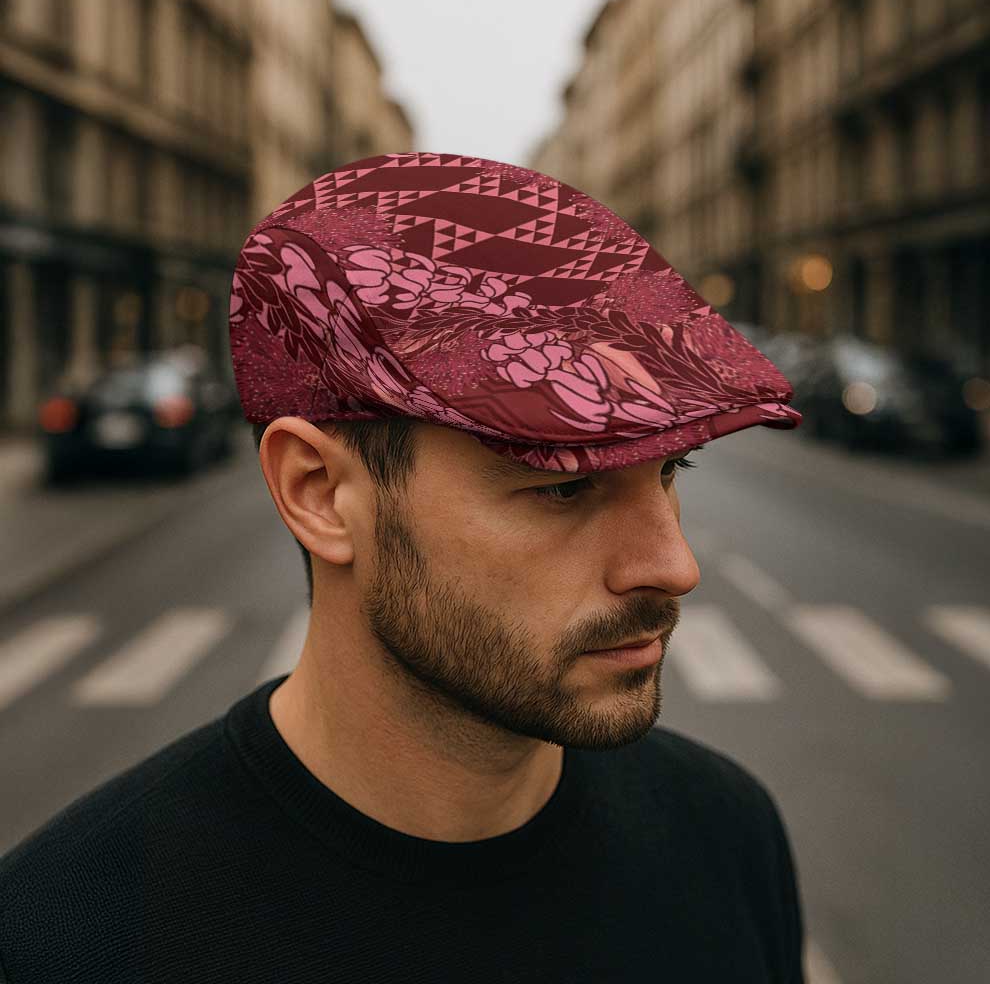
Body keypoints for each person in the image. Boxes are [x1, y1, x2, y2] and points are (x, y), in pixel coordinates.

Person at [0, 152, 806, 983]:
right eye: (564, 487)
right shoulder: (66, 940)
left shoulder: (727, 836)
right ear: (319, 493)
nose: (674, 566)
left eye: (673, 471)